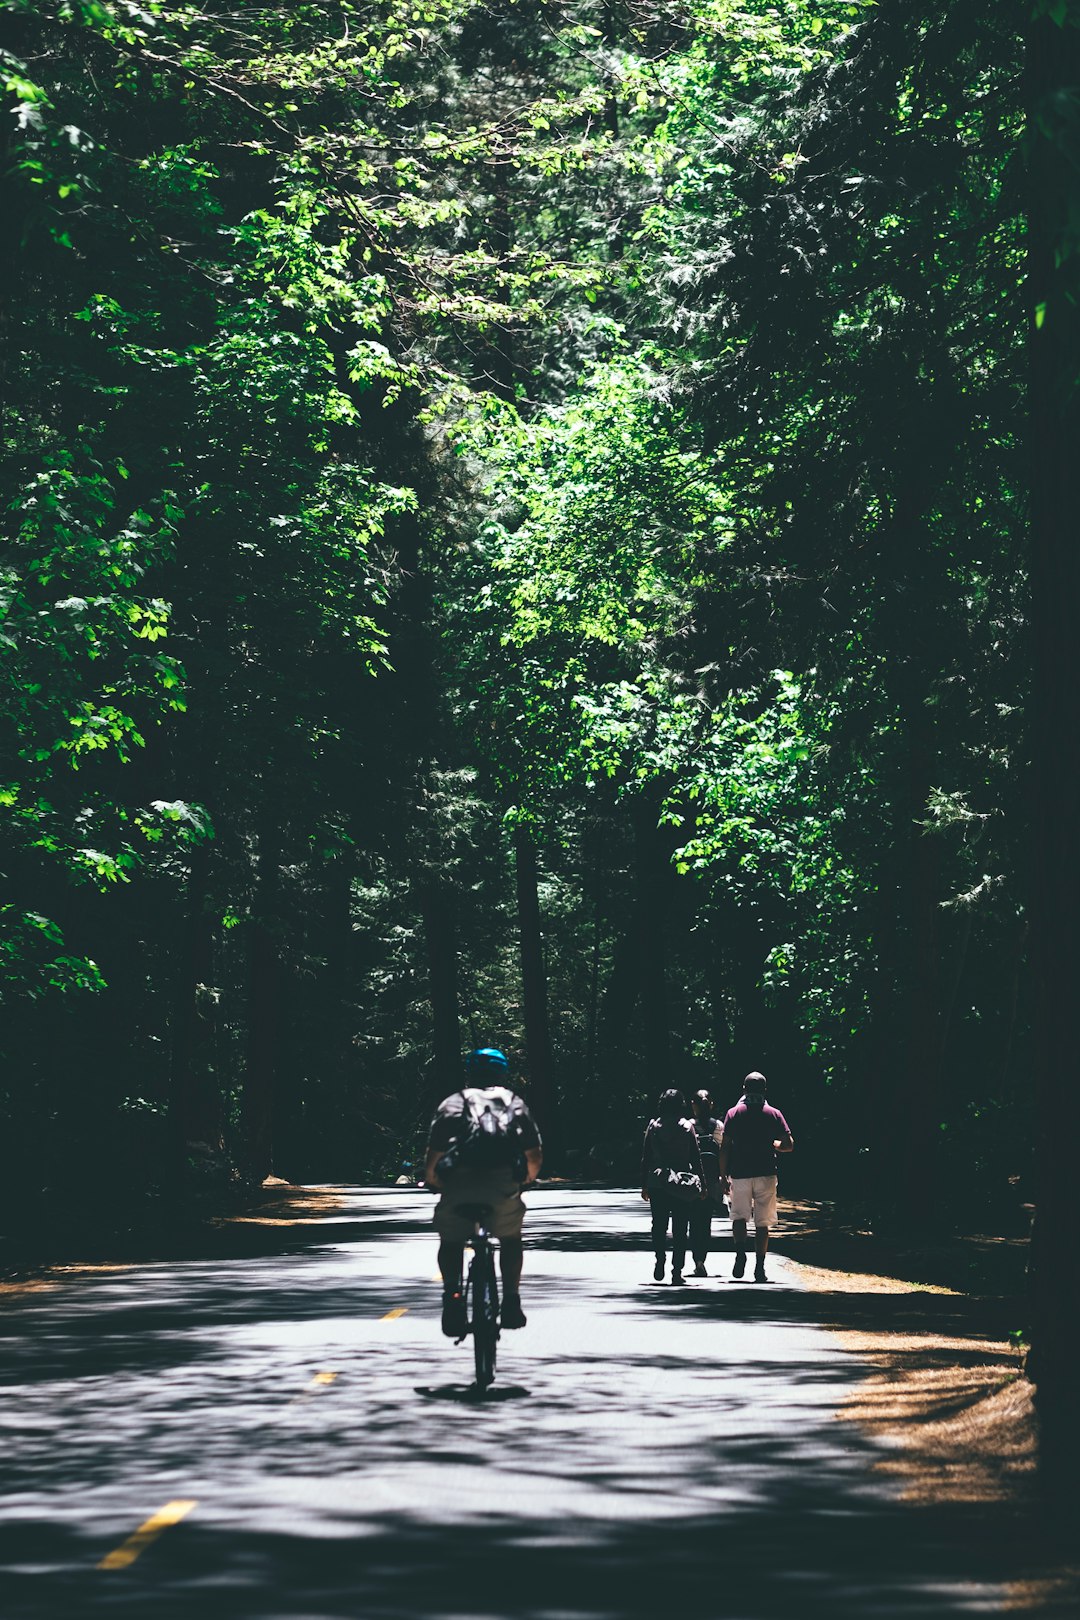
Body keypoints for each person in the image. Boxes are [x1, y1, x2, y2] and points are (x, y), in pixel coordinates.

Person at [424, 1048, 543, 1337]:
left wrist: (432, 1180)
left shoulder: (454, 1102)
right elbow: (534, 1152)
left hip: (459, 1182)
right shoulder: (513, 1102)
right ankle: (511, 1301)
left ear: (470, 1072)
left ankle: (453, 1299)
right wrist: (526, 1179)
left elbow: (434, 1152)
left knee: (451, 1241)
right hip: (502, 1183)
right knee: (511, 1239)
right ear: (503, 1073)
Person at [719, 1071, 793, 1283]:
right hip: (766, 1173)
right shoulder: (774, 1114)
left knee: (739, 1216)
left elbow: (724, 1147)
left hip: (740, 1173)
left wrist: (723, 1175)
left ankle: (740, 1252)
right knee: (762, 1223)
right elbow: (789, 1145)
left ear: (744, 1089)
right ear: (765, 1090)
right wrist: (774, 1144)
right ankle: (759, 1267)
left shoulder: (733, 1113)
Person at [640, 1089, 706, 1286]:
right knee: (680, 1228)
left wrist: (644, 1184)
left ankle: (660, 1259)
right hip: (681, 1184)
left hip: (658, 1181)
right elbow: (695, 1156)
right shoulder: (687, 1126)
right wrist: (701, 1183)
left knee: (658, 1225)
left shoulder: (653, 1126)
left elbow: (646, 1157)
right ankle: (677, 1270)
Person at [688, 1087, 725, 1276]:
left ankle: (697, 1259)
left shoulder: (687, 1125)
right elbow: (722, 1153)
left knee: (693, 1221)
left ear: (693, 1105)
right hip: (711, 1182)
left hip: (692, 1181)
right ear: (711, 1104)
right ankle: (702, 1257)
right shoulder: (718, 1126)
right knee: (706, 1222)